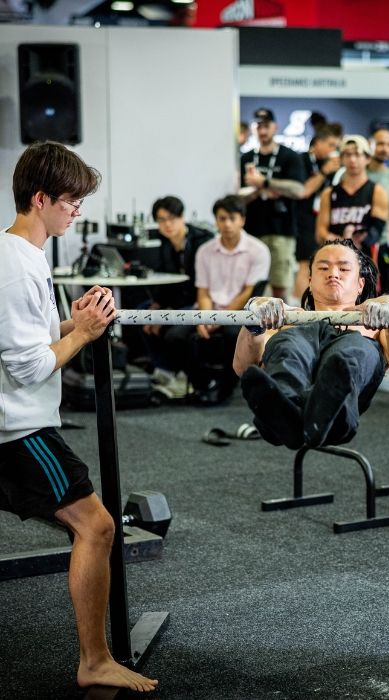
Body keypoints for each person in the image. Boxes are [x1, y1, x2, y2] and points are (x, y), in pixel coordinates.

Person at [0, 141, 157, 692]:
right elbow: (26, 368)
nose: (77, 211)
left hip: (14, 424)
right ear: (39, 198)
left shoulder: (21, 255)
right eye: (70, 201)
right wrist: (87, 335)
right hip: (17, 431)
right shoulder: (18, 266)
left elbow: (32, 341)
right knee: (97, 526)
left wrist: (73, 323)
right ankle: (94, 661)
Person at [233, 239, 389, 450]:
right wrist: (253, 318)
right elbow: (243, 368)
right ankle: (285, 413)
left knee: (352, 348)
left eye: (343, 268)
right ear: (310, 282)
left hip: (340, 416)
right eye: (324, 267)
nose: (333, 273)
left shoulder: (373, 325)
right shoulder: (287, 320)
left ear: (360, 284)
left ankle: (330, 410)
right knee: (291, 341)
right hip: (286, 415)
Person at [165, 194, 270, 405]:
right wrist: (205, 318)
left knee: (234, 334)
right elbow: (202, 291)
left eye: (232, 218)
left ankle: (226, 387)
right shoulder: (205, 251)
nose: (227, 224)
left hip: (240, 311)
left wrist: (220, 318)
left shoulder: (258, 250)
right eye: (222, 219)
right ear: (216, 220)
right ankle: (203, 383)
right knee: (173, 336)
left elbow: (249, 292)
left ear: (242, 219)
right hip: (207, 309)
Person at [143, 195, 214, 398]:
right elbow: (168, 283)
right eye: (161, 220)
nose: (167, 224)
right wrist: (158, 305)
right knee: (143, 312)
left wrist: (170, 310)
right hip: (178, 300)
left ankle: (182, 375)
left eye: (171, 218)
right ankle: (164, 369)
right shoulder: (165, 244)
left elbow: (204, 282)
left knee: (168, 327)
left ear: (182, 217)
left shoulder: (202, 241)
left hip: (200, 300)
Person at [241, 107, 305, 300]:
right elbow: (236, 197)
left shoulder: (289, 156)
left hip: (281, 230)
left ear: (275, 127)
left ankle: (284, 328)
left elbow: (299, 190)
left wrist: (265, 182)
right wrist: (255, 192)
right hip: (251, 229)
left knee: (280, 285)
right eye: (258, 126)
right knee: (251, 286)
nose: (262, 131)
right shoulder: (246, 157)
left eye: (266, 126)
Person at [315, 134, 389, 256]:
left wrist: (354, 241)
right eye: (348, 155)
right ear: (341, 158)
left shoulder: (378, 192)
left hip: (364, 259)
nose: (352, 160)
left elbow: (376, 232)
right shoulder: (329, 193)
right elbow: (320, 234)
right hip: (334, 257)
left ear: (368, 158)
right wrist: (345, 243)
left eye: (357, 154)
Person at [293, 125, 341, 302]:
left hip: (326, 219)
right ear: (318, 142)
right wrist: (324, 171)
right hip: (304, 220)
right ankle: (300, 308)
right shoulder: (301, 160)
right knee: (305, 263)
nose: (333, 150)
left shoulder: (333, 166)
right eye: (330, 145)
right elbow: (303, 191)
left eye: (336, 147)